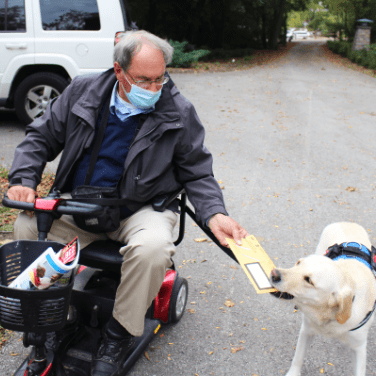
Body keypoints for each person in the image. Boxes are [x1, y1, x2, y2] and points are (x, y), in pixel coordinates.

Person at [7, 30, 248, 376]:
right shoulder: (82, 92)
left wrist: (215, 214)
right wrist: (22, 180)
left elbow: (197, 172)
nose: (153, 89)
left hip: (141, 209)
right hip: (83, 204)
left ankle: (117, 335)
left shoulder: (178, 110)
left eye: (159, 79)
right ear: (119, 71)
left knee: (153, 248)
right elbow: (40, 137)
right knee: (28, 226)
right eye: (143, 81)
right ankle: (59, 319)